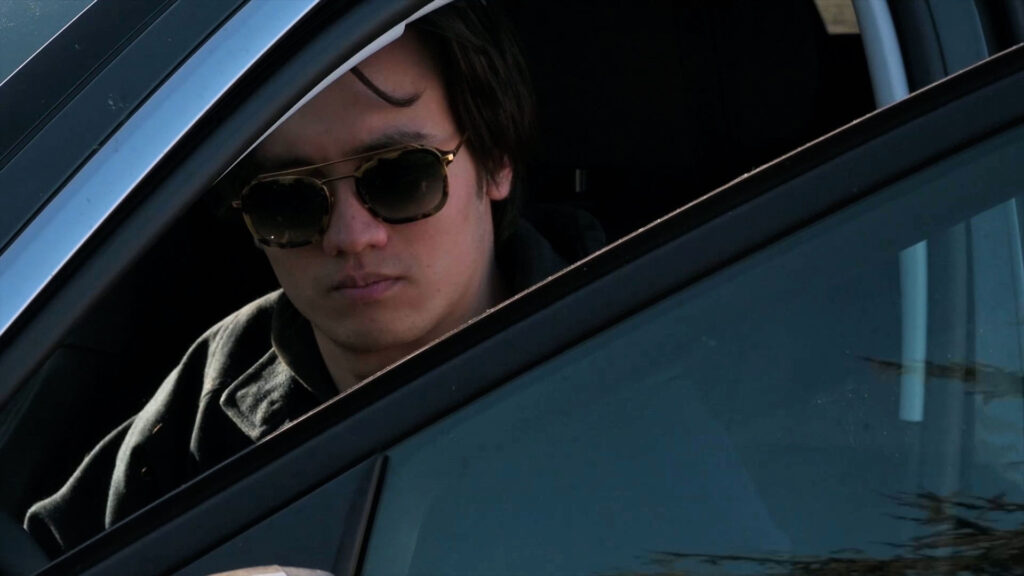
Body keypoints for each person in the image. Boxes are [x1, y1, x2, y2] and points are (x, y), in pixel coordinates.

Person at [24, 0, 604, 558]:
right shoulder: (218, 386)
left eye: (400, 176)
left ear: (496, 161)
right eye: (289, 200)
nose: (349, 235)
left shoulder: (633, 358)